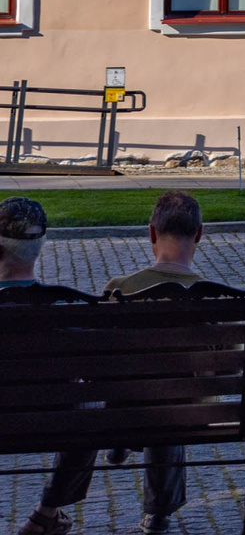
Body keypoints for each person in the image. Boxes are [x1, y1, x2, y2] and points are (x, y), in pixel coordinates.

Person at [19, 193, 212, 535]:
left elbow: (100, 362)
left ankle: (121, 441)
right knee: (171, 401)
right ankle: (158, 514)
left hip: (122, 405)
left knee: (140, 393)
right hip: (185, 411)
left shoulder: (120, 289)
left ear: (151, 234)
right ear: (198, 234)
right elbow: (224, 372)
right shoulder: (215, 296)